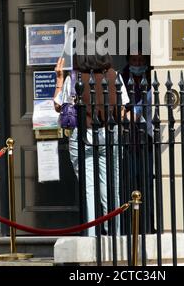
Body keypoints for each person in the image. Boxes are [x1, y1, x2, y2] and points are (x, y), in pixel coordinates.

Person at [54, 34, 129, 236]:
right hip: (109, 134)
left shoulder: (74, 77)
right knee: (111, 188)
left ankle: (91, 236)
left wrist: (59, 80)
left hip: (83, 136)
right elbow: (122, 111)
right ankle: (114, 234)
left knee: (89, 189)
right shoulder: (115, 75)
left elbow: (59, 106)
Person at [122, 45, 155, 233]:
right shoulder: (122, 79)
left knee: (147, 183)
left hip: (147, 139)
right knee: (129, 182)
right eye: (134, 61)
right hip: (127, 140)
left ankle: (148, 225)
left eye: (141, 61)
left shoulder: (150, 80)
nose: (137, 64)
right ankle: (129, 226)